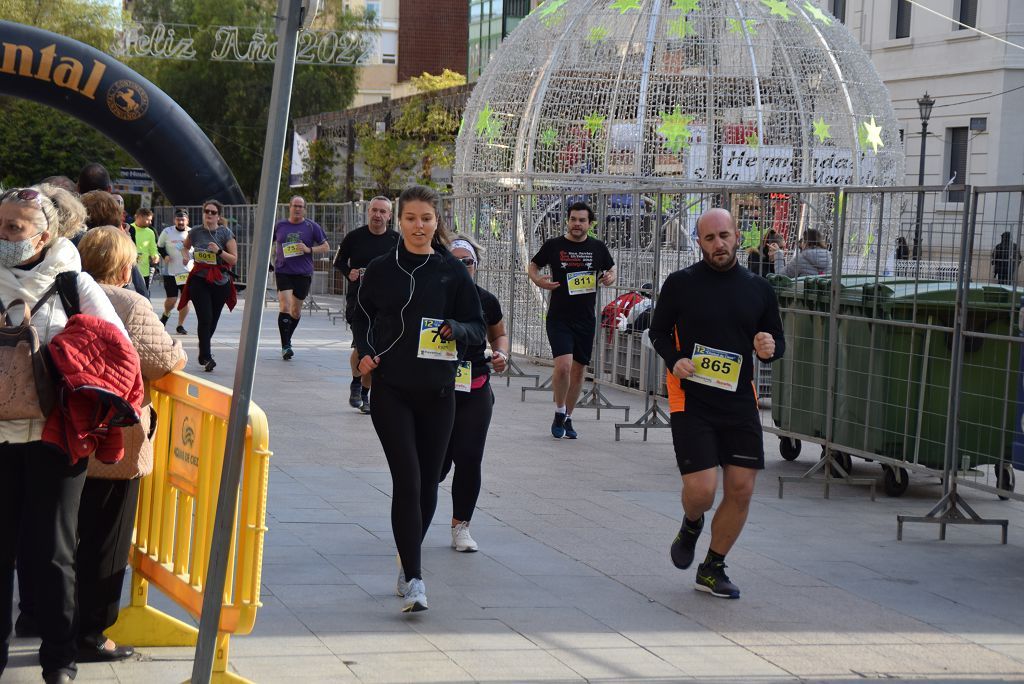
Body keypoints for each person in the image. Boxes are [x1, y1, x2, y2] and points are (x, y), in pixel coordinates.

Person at [0, 185, 127, 684]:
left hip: (57, 436)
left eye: (16, 226)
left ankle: (59, 659)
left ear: (45, 233)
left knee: (51, 552)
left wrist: (71, 359)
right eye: (0, 224)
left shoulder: (75, 285)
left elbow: (119, 354)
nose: (5, 234)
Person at [351, 185, 485, 613]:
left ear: (436, 222)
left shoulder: (451, 272)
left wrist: (456, 330)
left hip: (439, 392)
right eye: (410, 218)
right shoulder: (380, 268)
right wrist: (366, 351)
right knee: (407, 481)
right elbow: (362, 317)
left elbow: (477, 328)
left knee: (429, 483)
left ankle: (406, 555)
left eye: (426, 218)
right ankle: (414, 578)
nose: (418, 226)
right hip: (391, 391)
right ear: (399, 222)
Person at [648, 208, 785, 600]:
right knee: (703, 491)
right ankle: (692, 523)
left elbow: (775, 340)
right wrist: (675, 360)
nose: (718, 244)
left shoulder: (759, 289)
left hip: (740, 400)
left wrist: (769, 348)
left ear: (738, 236)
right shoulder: (681, 284)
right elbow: (658, 331)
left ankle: (713, 567)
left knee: (741, 489)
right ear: (699, 241)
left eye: (724, 236)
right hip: (692, 397)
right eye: (709, 238)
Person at [73, 227, 186, 662]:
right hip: (114, 439)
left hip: (66, 431)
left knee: (68, 531)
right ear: (125, 267)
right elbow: (161, 360)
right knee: (107, 536)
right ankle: (93, 632)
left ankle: (45, 617)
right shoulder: (129, 302)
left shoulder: (66, 293)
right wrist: (178, 347)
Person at [439, 236, 509, 553]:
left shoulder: (486, 300)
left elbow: (500, 335)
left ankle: (461, 526)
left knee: (469, 458)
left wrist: (501, 355)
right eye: (453, 261)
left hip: (475, 386)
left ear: (475, 267)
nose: (461, 267)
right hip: (434, 390)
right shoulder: (432, 296)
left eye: (466, 262)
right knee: (434, 465)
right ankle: (415, 515)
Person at [528, 200, 616, 440]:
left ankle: (567, 416)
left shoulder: (598, 247)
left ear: (589, 223)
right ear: (567, 220)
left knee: (578, 371)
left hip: (586, 319)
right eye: (573, 219)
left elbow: (611, 269)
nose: (577, 224)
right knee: (564, 366)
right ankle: (558, 411)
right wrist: (538, 281)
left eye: (582, 220)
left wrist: (610, 277)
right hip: (559, 317)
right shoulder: (554, 245)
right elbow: (533, 265)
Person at [333, 196, 399, 413]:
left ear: (389, 215)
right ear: (368, 212)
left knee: (376, 348)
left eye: (383, 211)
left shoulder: (397, 240)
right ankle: (356, 381)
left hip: (386, 302)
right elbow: (338, 261)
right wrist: (348, 272)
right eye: (374, 210)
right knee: (362, 348)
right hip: (358, 300)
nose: (378, 215)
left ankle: (364, 392)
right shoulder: (354, 237)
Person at [179, 199, 238, 372]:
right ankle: (206, 356)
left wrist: (219, 251)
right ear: (203, 213)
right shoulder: (196, 231)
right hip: (199, 279)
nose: (209, 215)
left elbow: (234, 259)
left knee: (212, 320)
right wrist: (185, 256)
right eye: (207, 212)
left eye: (213, 212)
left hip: (220, 280)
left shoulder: (225, 233)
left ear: (218, 216)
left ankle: (203, 348)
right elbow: (185, 247)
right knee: (205, 318)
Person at [273, 196, 330, 360]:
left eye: (300, 206)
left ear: (304, 209)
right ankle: (285, 346)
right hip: (283, 270)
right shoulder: (280, 225)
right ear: (289, 207)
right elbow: (269, 242)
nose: (297, 209)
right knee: (285, 306)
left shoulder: (311, 226)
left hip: (303, 273)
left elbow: (326, 246)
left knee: (295, 312)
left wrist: (308, 249)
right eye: (294, 206)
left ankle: (287, 339)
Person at [157, 210, 192, 335]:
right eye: (178, 219)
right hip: (170, 272)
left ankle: (180, 325)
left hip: (186, 272)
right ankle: (166, 315)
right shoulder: (167, 232)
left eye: (183, 220)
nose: (181, 222)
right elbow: (160, 246)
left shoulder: (192, 233)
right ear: (174, 220)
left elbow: (197, 250)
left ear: (187, 221)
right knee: (171, 300)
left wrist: (190, 259)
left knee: (185, 300)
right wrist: (165, 255)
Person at [132, 208, 160, 289]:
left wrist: (155, 256)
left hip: (144, 271)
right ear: (140, 217)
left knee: (144, 295)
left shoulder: (150, 232)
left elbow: (153, 249)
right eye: (148, 220)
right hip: (129, 270)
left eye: (151, 220)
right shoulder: (129, 228)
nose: (150, 222)